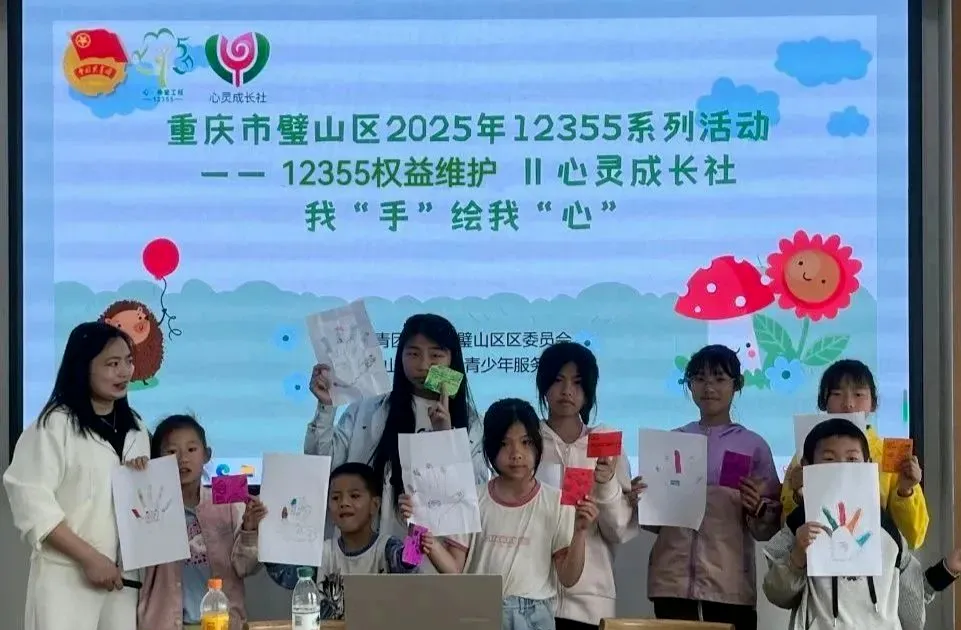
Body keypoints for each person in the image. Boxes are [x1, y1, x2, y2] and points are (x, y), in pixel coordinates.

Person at [3, 321, 152, 630]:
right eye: (112, 364)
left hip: (122, 581)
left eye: (128, 361)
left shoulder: (136, 427)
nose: (124, 372)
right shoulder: (53, 426)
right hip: (66, 580)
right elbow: (31, 501)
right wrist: (89, 558)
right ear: (83, 368)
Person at [405, 398, 599, 630]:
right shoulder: (471, 498)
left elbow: (568, 578)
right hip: (478, 610)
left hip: (534, 616)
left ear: (538, 444)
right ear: (490, 447)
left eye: (526, 442)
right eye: (505, 444)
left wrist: (580, 532)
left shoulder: (556, 502)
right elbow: (454, 569)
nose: (516, 453)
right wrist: (423, 535)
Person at [628, 344, 782, 630]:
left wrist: (758, 508)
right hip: (671, 582)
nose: (709, 387)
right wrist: (641, 500)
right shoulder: (671, 441)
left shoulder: (753, 445)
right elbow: (655, 523)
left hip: (730, 584)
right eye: (699, 378)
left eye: (719, 378)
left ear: (737, 384)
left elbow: (769, 528)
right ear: (690, 385)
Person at [762, 417, 959, 629]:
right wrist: (798, 557)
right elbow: (777, 594)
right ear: (806, 466)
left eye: (852, 459)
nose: (841, 468)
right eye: (828, 459)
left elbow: (909, 596)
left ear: (868, 464)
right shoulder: (800, 523)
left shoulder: (885, 526)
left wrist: (946, 570)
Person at [305, 313, 487, 538]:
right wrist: (326, 406)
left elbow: (474, 496)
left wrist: (446, 437)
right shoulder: (367, 410)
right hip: (365, 547)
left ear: (452, 360)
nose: (423, 365)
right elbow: (321, 465)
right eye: (413, 354)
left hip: (431, 548)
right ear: (400, 356)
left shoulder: (470, 422)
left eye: (436, 355)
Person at [534, 341, 637, 630]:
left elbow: (617, 530)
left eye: (578, 382)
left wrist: (605, 484)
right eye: (558, 380)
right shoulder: (527, 442)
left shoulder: (606, 443)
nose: (567, 390)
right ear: (544, 384)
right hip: (532, 596)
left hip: (591, 601)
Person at [780, 359, 928, 549]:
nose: (848, 404)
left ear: (873, 403)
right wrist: (797, 495)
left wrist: (906, 491)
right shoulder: (805, 452)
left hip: (877, 562)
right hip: (819, 559)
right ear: (823, 402)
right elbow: (786, 529)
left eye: (858, 394)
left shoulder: (891, 454)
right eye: (837, 394)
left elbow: (914, 538)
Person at [137, 414, 266, 630]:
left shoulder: (228, 502)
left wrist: (250, 530)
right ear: (156, 459)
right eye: (171, 451)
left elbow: (245, 567)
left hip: (223, 623)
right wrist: (136, 476)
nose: (182, 459)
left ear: (207, 455)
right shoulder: (150, 507)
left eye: (191, 449)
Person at [265, 462, 419, 611]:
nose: (344, 503)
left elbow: (409, 565)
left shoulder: (386, 548)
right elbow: (286, 574)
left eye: (354, 496)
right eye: (335, 498)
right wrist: (267, 525)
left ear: (375, 505)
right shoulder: (322, 552)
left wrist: (416, 521)